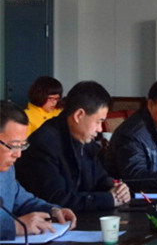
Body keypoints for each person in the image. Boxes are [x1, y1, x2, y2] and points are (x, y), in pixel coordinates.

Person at [15, 81, 130, 212]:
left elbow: (100, 178)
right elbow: (56, 200)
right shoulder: (44, 144)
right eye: (99, 122)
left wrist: (116, 188)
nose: (100, 129)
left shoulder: (83, 139)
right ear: (79, 115)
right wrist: (108, 199)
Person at [0, 101, 76, 240]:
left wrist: (52, 210)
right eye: (14, 145)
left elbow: (23, 201)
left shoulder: (6, 171)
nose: (18, 154)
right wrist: (14, 227)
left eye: (22, 146)